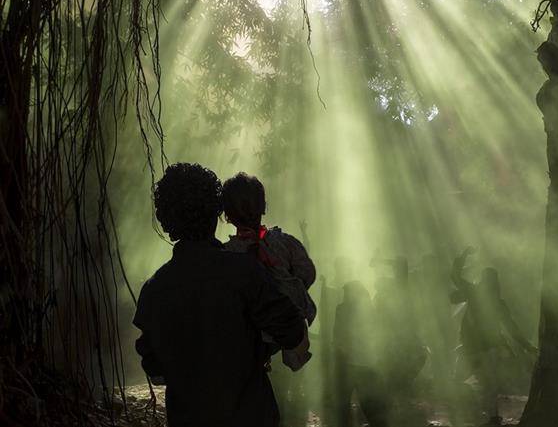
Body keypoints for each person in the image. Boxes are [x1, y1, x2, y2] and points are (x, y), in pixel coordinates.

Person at [133, 163, 307, 427]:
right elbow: (294, 334)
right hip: (250, 416)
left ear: (166, 220)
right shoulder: (245, 272)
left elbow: (155, 371)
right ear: (217, 213)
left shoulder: (154, 290)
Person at [221, 172, 317, 371]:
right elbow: (307, 274)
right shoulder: (285, 243)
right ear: (263, 207)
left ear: (227, 216)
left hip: (243, 346)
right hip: (286, 335)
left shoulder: (225, 255)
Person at [450, 247, 536, 426]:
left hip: (479, 350)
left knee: (482, 384)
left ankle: (489, 417)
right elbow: (511, 328)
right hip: (481, 350)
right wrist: (526, 345)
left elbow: (455, 275)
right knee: (485, 385)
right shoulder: (495, 302)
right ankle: (486, 416)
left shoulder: (477, 295)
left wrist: (463, 256)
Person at [333, 282, 388, 427]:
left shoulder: (343, 310)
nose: (344, 296)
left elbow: (338, 336)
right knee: (369, 405)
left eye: (347, 293)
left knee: (346, 405)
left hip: (353, 364)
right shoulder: (369, 310)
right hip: (364, 364)